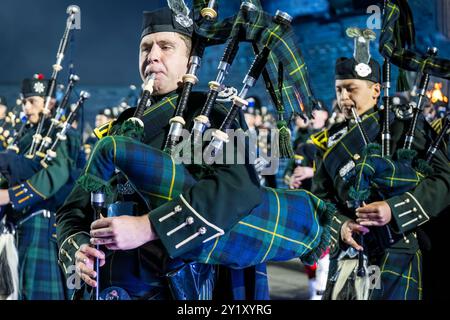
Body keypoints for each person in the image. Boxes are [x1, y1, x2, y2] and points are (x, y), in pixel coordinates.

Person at [56, 6, 264, 300]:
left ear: (192, 61)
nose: (152, 55)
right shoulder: (119, 128)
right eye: (145, 47)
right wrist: (77, 248)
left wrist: (149, 227)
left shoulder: (216, 115)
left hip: (176, 289)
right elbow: (72, 209)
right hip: (107, 288)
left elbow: (239, 190)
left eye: (166, 46)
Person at [311, 56, 450, 300]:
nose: (344, 98)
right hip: (349, 254)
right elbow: (320, 199)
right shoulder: (330, 141)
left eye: (351, 89)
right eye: (339, 90)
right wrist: (341, 226)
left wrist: (393, 209)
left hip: (399, 248)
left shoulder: (403, 126)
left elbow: (444, 179)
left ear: (376, 90)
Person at [0, 77, 81, 299]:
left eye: (33, 102)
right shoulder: (23, 137)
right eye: (24, 102)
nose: (26, 107)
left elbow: (57, 174)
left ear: (50, 103)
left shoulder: (62, 135)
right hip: (17, 226)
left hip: (43, 224)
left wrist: (9, 196)